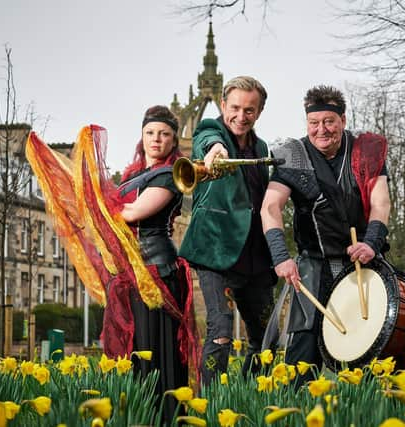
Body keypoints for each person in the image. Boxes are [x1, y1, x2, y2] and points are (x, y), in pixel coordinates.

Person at [260, 85, 391, 383]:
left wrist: (372, 243)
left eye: (329, 122)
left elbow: (381, 202)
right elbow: (270, 206)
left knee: (368, 355)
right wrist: (281, 256)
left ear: (342, 120)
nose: (321, 130)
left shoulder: (367, 151)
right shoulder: (292, 155)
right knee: (301, 360)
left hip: (363, 263)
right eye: (314, 123)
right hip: (312, 268)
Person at [179, 76, 276, 386]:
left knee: (267, 339)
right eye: (235, 107)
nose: (241, 116)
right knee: (220, 330)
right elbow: (207, 137)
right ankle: (210, 404)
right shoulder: (210, 128)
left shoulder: (261, 148)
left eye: (250, 110)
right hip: (215, 252)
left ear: (259, 112)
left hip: (255, 258)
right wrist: (215, 149)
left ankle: (247, 397)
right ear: (223, 105)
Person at [119, 105, 198, 421]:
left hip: (158, 272)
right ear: (142, 136)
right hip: (133, 275)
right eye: (150, 132)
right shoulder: (133, 176)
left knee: (159, 355)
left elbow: (132, 214)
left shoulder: (170, 174)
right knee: (138, 355)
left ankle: (165, 419)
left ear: (173, 139)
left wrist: (94, 203)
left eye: (164, 134)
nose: (156, 139)